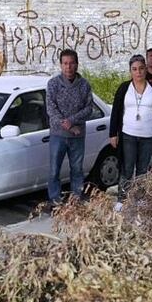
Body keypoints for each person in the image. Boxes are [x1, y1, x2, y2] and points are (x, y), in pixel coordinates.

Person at [109, 55, 152, 199]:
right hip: (128, 134)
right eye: (134, 69)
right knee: (127, 168)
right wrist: (113, 133)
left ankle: (141, 199)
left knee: (144, 170)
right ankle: (122, 199)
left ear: (146, 69)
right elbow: (116, 111)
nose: (138, 72)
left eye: (141, 68)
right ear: (130, 71)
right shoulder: (124, 88)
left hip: (149, 136)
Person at [46, 48, 94, 205]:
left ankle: (76, 200)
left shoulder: (84, 85)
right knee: (54, 170)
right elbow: (51, 110)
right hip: (58, 136)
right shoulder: (53, 84)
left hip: (78, 136)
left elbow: (88, 109)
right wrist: (67, 126)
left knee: (77, 170)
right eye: (65, 63)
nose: (68, 67)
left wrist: (72, 121)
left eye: (71, 63)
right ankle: (55, 201)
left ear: (77, 65)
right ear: (60, 65)